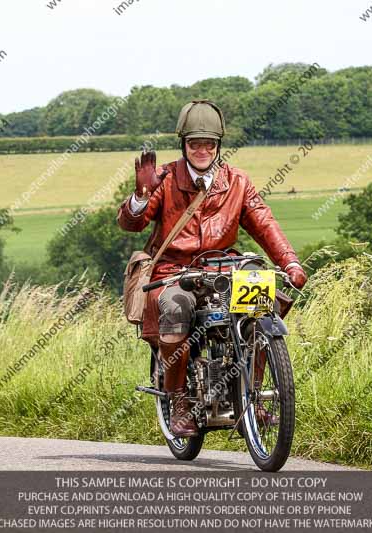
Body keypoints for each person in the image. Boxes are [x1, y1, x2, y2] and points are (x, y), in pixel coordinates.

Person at [117, 100, 307, 437]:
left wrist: (289, 261)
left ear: (218, 146)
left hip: (223, 268)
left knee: (265, 303)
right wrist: (141, 196)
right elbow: (131, 225)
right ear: (184, 144)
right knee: (177, 308)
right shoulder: (165, 179)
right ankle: (178, 401)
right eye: (195, 144)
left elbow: (263, 223)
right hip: (175, 272)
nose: (202, 150)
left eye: (209, 144)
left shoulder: (237, 181)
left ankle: (252, 394)